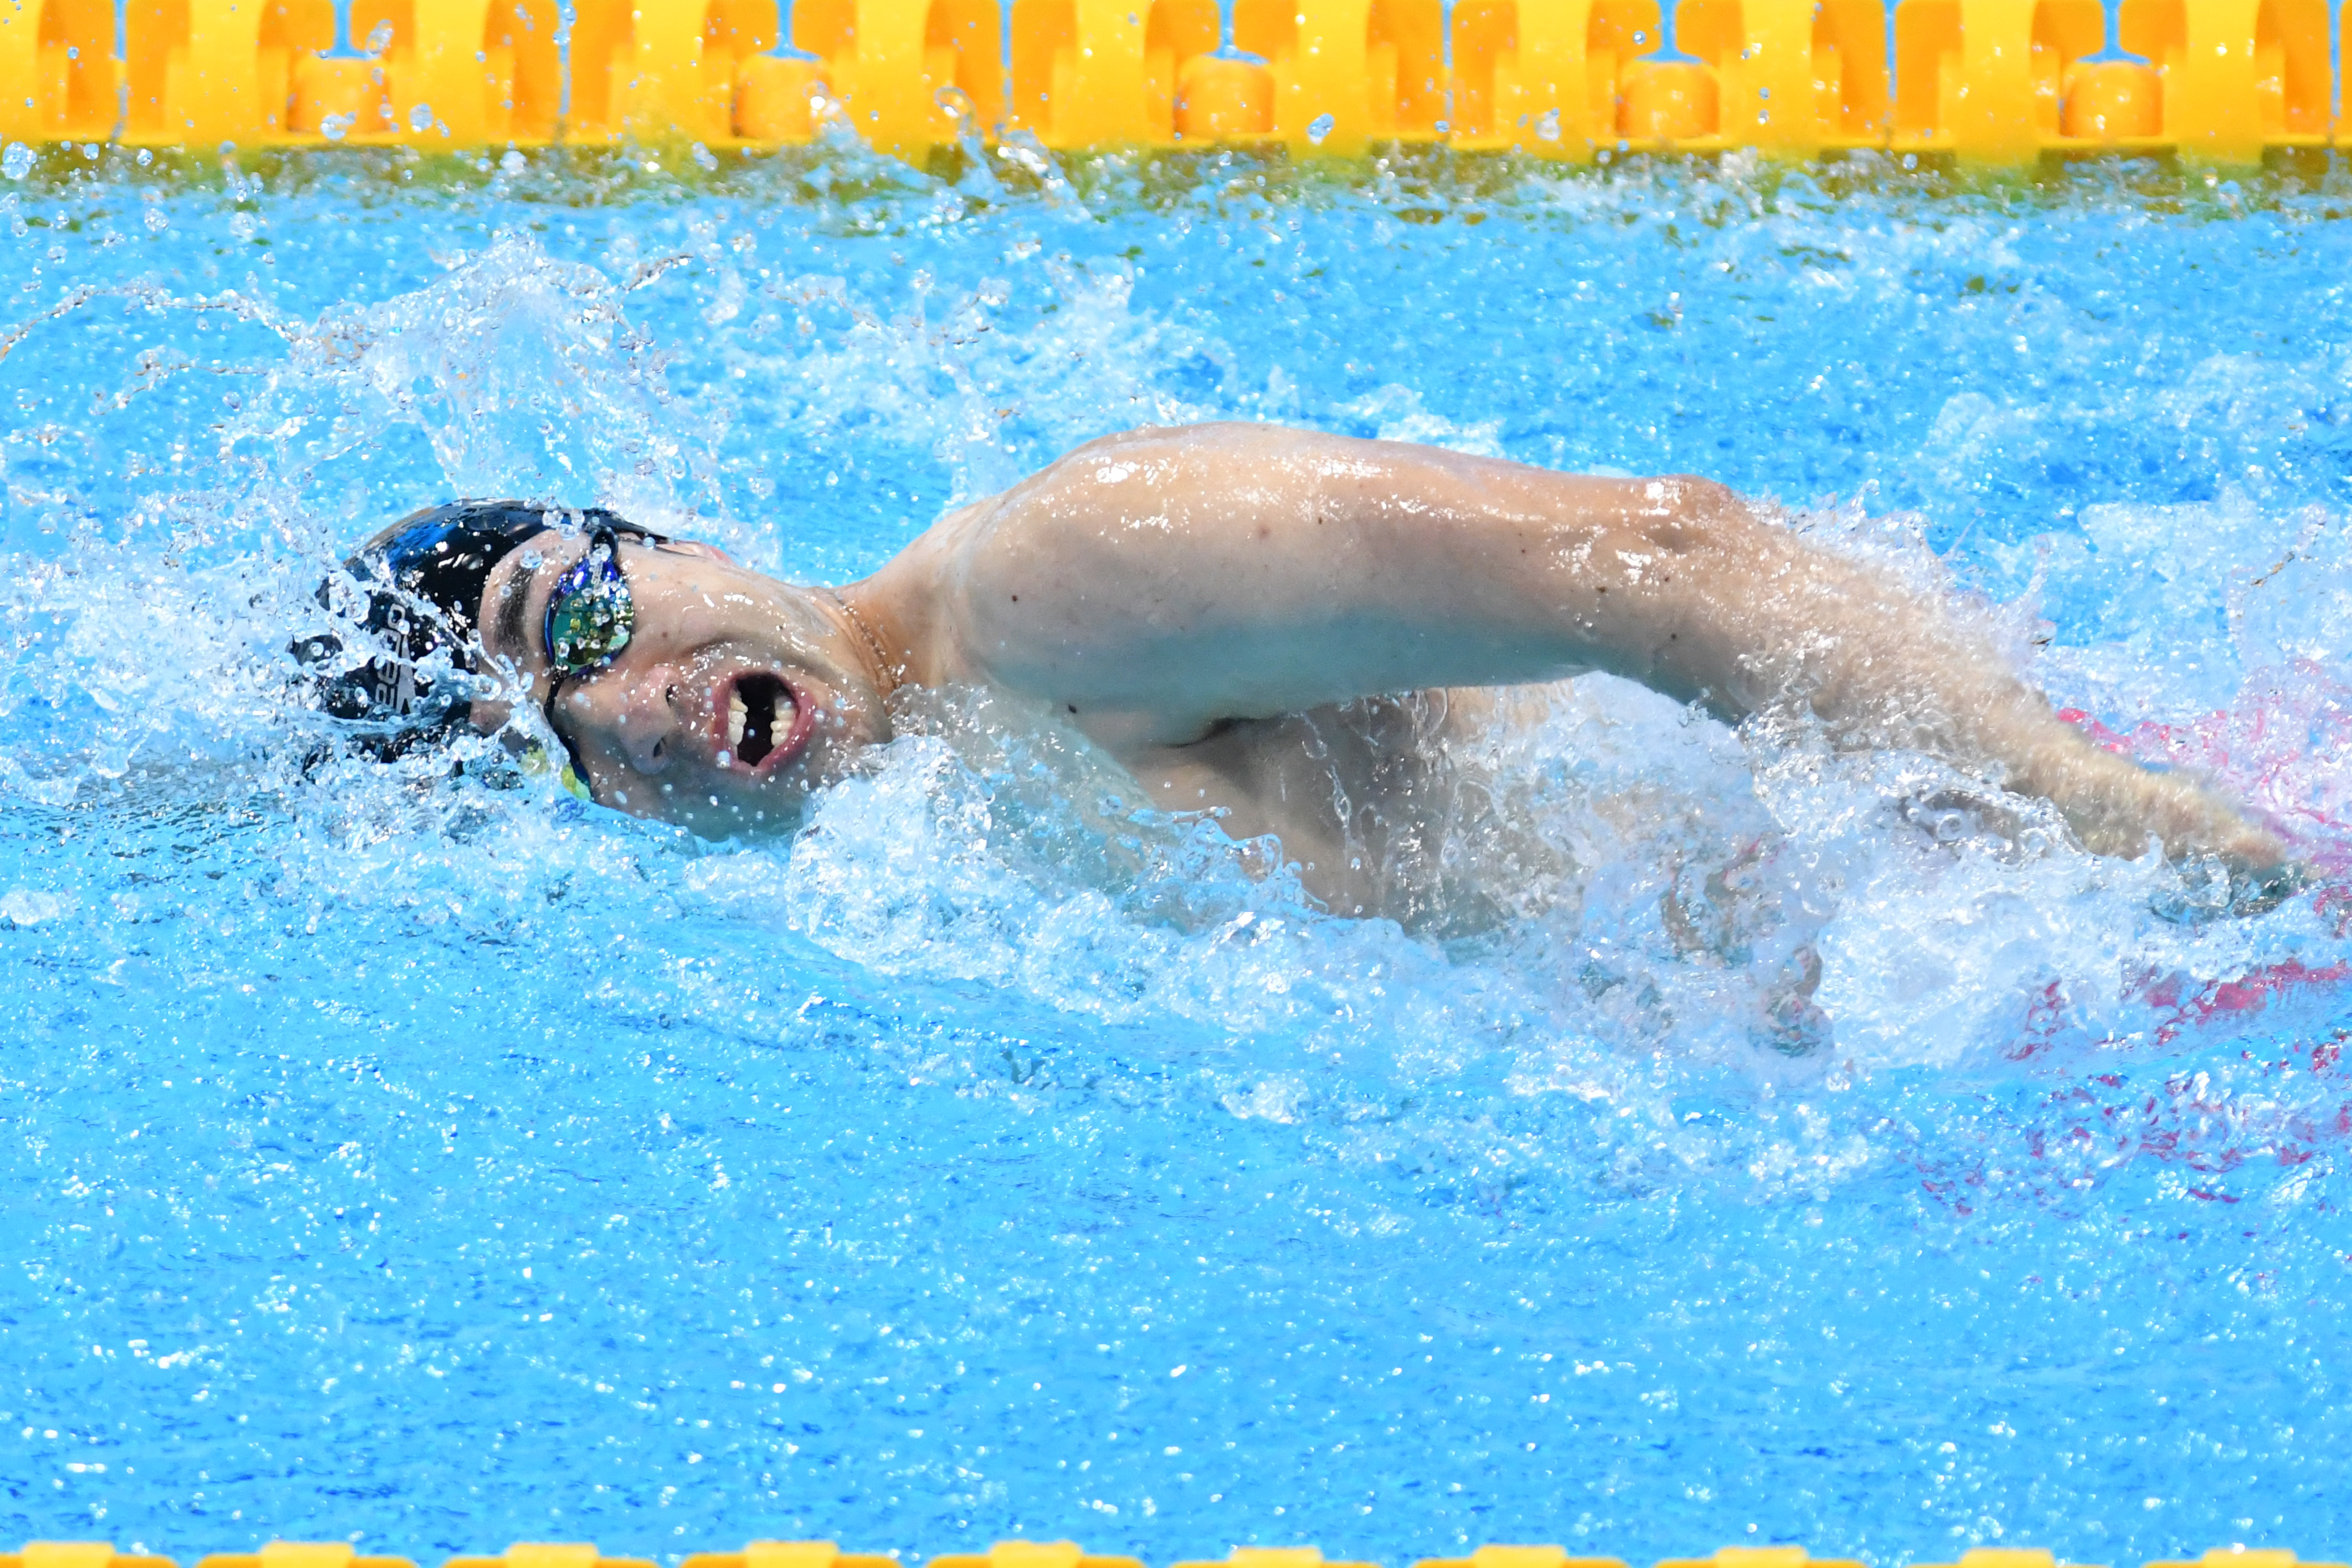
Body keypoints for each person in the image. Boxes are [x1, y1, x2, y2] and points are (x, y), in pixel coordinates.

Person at [306, 422, 2291, 915]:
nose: (623, 716)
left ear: (669, 541)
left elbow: (1667, 558)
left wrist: (2126, 829)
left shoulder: (1058, 593)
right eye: (558, 752)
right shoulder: (936, 823)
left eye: (570, 631)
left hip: (2065, 882)